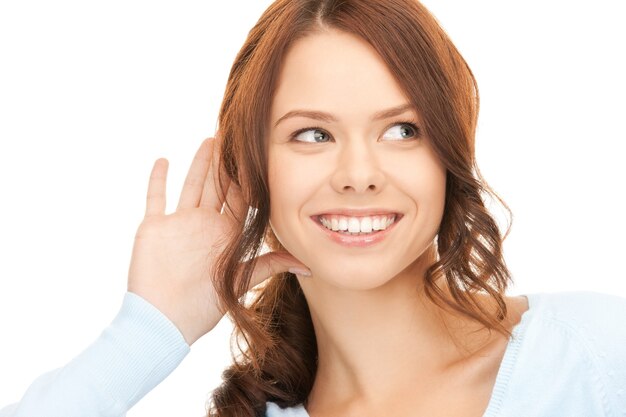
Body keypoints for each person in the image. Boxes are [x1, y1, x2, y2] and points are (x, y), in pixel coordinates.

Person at [2, 0, 626, 416]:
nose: (358, 175)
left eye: (402, 130)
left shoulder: (593, 354)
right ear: (253, 168)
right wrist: (148, 330)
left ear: (448, 155)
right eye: (312, 134)